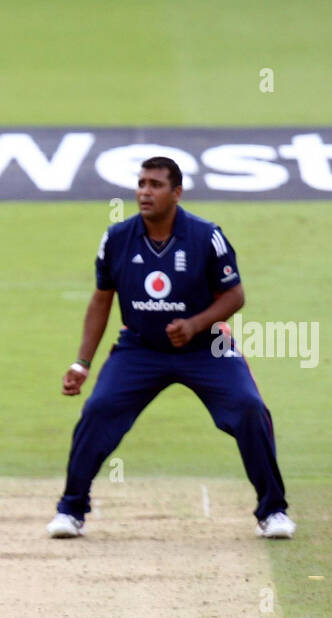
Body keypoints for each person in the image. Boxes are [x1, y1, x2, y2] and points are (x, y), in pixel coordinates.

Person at [47, 156, 295, 540]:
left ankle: (273, 511)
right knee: (98, 410)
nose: (145, 192)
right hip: (140, 348)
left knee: (249, 409)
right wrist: (81, 364)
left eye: (156, 185)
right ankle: (71, 509)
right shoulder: (116, 239)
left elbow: (235, 295)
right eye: (142, 183)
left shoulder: (206, 236)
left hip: (205, 347)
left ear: (176, 193)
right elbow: (101, 300)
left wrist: (196, 324)